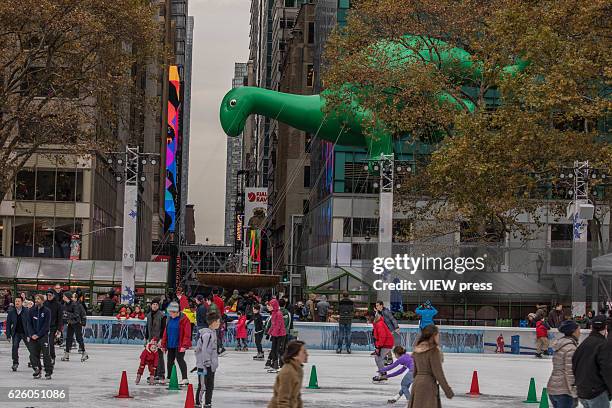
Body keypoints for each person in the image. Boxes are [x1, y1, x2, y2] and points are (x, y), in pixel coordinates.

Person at [408, 325, 454, 408]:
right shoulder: (433, 350)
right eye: (437, 334)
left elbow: (415, 371)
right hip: (428, 384)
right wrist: (448, 390)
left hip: (417, 383)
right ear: (433, 335)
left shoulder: (417, 350)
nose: (438, 336)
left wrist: (417, 382)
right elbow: (438, 373)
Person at [572, 314, 612, 408]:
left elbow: (574, 364)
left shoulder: (584, 343)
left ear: (591, 327)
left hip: (582, 391)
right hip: (597, 393)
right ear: (606, 327)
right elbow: (607, 369)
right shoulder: (603, 345)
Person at [547, 320, 580, 408]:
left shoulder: (560, 345)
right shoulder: (571, 348)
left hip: (554, 388)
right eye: (578, 330)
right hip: (564, 391)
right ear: (573, 332)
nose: (579, 333)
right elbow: (569, 372)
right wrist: (574, 391)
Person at [267, 340, 308, 408]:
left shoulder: (298, 370)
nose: (307, 354)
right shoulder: (288, 372)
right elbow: (283, 400)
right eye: (303, 352)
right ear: (295, 355)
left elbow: (297, 396)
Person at [161, 301, 192, 385]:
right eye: (169, 312)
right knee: (169, 361)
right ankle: (169, 377)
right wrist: (163, 344)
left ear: (176, 311)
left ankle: (185, 378)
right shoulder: (169, 319)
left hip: (179, 345)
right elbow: (165, 332)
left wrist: (184, 345)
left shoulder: (184, 319)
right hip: (170, 344)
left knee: (180, 360)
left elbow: (187, 334)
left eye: (171, 312)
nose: (170, 314)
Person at [194, 311, 221, 408]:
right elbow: (204, 350)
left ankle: (208, 403)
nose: (219, 323)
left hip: (211, 366)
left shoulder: (213, 333)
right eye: (218, 321)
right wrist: (207, 363)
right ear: (213, 323)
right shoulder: (207, 335)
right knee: (202, 386)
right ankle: (197, 403)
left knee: (210, 385)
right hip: (204, 366)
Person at [27, 294, 53, 380]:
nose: (36, 300)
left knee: (46, 354)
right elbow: (29, 324)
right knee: (33, 354)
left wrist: (38, 335)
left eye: (38, 299)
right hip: (33, 336)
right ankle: (37, 369)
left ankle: (48, 371)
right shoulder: (31, 311)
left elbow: (46, 325)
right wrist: (32, 334)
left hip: (43, 336)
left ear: (42, 301)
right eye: (36, 299)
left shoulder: (47, 311)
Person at [61, 291, 88, 362]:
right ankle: (66, 354)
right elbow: (64, 314)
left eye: (64, 296)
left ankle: (84, 353)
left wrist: (67, 314)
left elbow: (76, 314)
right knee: (68, 338)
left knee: (79, 338)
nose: (63, 297)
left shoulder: (74, 304)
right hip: (70, 323)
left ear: (67, 297)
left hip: (77, 323)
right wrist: (65, 319)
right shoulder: (65, 304)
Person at [6, 296, 31, 371]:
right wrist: (8, 335)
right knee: (14, 347)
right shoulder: (11, 312)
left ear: (22, 302)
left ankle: (33, 361)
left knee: (31, 348)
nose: (17, 303)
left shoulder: (27, 311)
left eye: (18, 301)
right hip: (16, 333)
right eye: (16, 301)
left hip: (25, 333)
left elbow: (30, 323)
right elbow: (8, 324)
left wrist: (30, 334)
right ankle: (15, 363)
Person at [145, 298, 166, 383]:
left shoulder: (162, 315)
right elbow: (147, 327)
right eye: (153, 304)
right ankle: (154, 373)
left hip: (158, 339)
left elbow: (164, 328)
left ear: (158, 306)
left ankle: (161, 374)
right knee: (152, 357)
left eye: (156, 305)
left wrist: (161, 339)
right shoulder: (149, 315)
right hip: (151, 339)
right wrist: (146, 338)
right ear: (151, 305)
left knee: (159, 356)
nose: (154, 306)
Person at [265, 298, 287, 372]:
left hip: (280, 335)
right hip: (275, 335)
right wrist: (269, 333)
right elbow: (273, 325)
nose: (269, 307)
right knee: (273, 350)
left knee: (279, 350)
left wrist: (274, 334)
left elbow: (278, 325)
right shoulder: (273, 313)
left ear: (274, 306)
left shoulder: (279, 314)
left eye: (270, 306)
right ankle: (274, 365)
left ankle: (281, 365)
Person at [372, 313, 395, 382]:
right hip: (385, 343)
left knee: (379, 358)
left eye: (368, 318)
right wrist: (377, 347)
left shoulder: (379, 324)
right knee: (378, 358)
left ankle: (383, 374)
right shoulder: (377, 324)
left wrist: (378, 347)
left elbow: (382, 336)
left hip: (386, 343)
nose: (367, 320)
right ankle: (382, 374)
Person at [43, 289, 62, 365]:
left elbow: (60, 318)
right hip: (44, 327)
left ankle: (52, 357)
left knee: (50, 343)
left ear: (54, 295)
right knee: (43, 343)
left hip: (53, 327)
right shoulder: (44, 303)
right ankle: (43, 358)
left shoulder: (58, 305)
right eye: (47, 295)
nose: (49, 297)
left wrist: (59, 329)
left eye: (50, 295)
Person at [212, 288, 226, 355]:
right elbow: (223, 311)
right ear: (218, 293)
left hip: (213, 318)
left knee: (215, 335)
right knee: (218, 334)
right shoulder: (221, 300)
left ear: (212, 292)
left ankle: (218, 349)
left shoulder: (211, 300)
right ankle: (220, 347)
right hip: (219, 318)